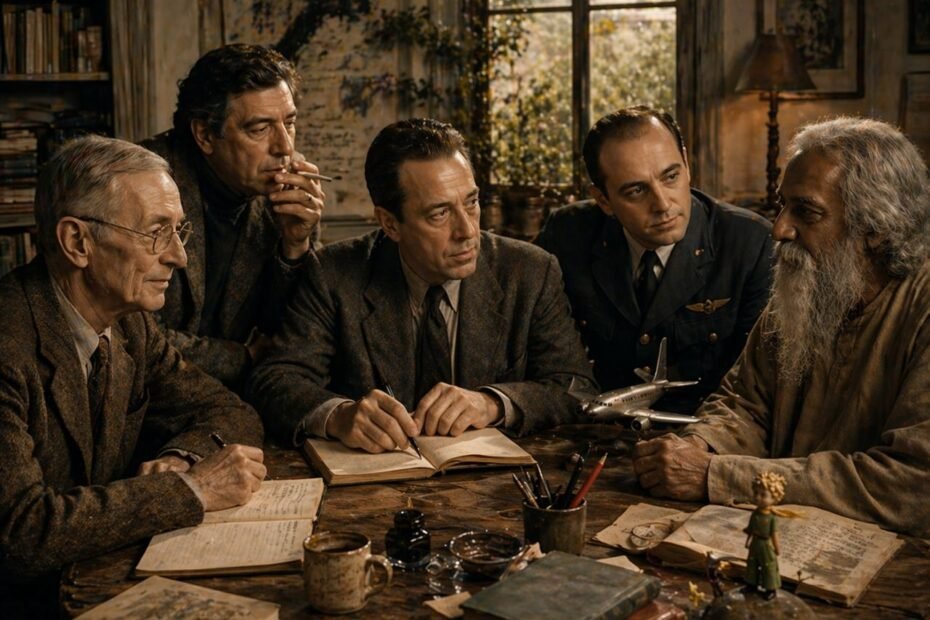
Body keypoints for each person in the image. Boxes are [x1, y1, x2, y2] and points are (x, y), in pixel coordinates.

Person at [0, 136, 266, 615]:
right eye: (156, 233)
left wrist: (181, 458)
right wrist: (190, 489)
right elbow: (22, 534)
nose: (179, 257)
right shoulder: (7, 343)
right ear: (77, 242)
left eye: (179, 232)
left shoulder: (131, 326)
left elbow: (229, 411)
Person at [632, 117, 930, 537]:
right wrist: (698, 446)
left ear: (876, 228)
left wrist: (718, 476)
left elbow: (912, 484)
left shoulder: (921, 309)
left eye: (806, 211)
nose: (779, 229)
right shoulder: (806, 287)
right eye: (783, 205)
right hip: (779, 532)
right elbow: (745, 403)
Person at [248, 118, 596, 453]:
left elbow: (577, 390)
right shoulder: (334, 275)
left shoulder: (530, 271)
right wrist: (339, 416)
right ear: (390, 224)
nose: (467, 231)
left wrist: (492, 403)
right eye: (439, 214)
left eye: (471, 202)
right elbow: (276, 380)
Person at [536, 106, 773, 413]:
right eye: (636, 191)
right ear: (604, 200)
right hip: (594, 427)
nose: (662, 204)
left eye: (671, 177)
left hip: (708, 429)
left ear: (686, 163)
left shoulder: (751, 243)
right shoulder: (567, 234)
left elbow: (755, 387)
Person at [141, 43, 325, 391]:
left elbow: (298, 336)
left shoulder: (289, 192)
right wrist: (242, 357)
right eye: (260, 129)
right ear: (205, 135)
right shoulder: (141, 186)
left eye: (289, 123)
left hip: (243, 395)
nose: (285, 147)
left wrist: (296, 245)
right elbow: (137, 338)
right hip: (148, 398)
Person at [743, 472, 784, 600]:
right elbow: (751, 529)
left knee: (768, 565)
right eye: (756, 493)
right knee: (752, 563)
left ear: (774, 498)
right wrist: (747, 541)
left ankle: (770, 588)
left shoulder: (771, 517)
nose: (758, 497)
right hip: (755, 543)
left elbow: (774, 534)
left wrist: (777, 548)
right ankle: (751, 584)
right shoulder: (755, 514)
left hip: (766, 545)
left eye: (763, 495)